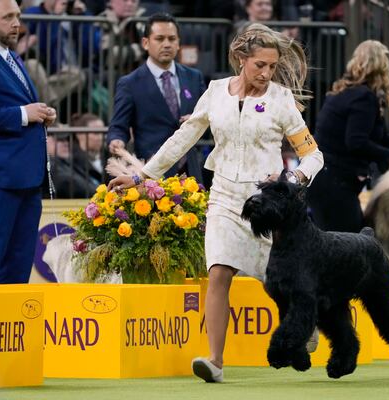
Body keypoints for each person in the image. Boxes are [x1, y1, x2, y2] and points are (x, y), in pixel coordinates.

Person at [108, 23, 324, 383]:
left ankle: (306, 319)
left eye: (272, 66)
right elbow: (183, 139)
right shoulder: (214, 92)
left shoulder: (282, 99)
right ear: (242, 59)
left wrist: (292, 179)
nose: (266, 74)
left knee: (278, 282)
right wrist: (142, 176)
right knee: (219, 273)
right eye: (260, 65)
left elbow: (313, 156)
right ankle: (215, 361)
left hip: (267, 206)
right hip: (223, 197)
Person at [0, 0, 56, 289]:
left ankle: (10, 331)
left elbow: (16, 106)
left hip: (26, 181)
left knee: (17, 268)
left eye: (18, 16)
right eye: (8, 17)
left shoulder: (11, 58)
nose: (16, 22)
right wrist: (23, 114)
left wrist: (40, 114)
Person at [307, 40, 389, 233]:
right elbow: (356, 142)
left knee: (343, 243)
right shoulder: (363, 97)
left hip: (326, 181)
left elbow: (369, 136)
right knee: (349, 243)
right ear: (381, 67)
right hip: (334, 184)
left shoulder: (348, 92)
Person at [107, 13, 206, 183]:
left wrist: (198, 119)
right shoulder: (129, 83)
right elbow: (118, 125)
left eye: (171, 39)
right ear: (146, 43)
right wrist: (116, 140)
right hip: (151, 176)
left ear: (178, 42)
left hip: (191, 173)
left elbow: (210, 116)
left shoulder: (194, 77)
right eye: (159, 39)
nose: (166, 44)